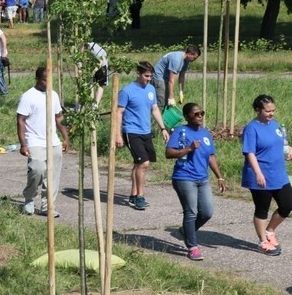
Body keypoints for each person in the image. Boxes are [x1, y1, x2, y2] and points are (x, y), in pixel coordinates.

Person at [165, 103, 226, 261]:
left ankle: (186, 231)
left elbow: (211, 156)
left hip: (203, 178)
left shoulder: (206, 133)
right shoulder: (180, 132)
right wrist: (188, 149)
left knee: (207, 212)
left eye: (202, 113)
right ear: (187, 117)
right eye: (196, 114)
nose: (200, 116)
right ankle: (192, 247)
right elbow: (169, 153)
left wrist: (219, 177)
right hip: (184, 177)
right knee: (191, 212)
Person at [114, 61, 170, 211]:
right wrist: (117, 135)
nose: (148, 79)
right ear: (138, 74)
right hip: (131, 131)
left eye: (150, 76)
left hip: (146, 131)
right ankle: (140, 196)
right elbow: (118, 113)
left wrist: (163, 128)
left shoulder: (151, 89)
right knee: (144, 163)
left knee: (139, 164)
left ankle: (132, 195)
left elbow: (155, 109)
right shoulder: (127, 91)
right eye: (146, 76)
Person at [241, 94, 292, 256]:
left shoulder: (275, 125)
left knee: (287, 204)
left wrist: (289, 149)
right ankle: (263, 241)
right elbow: (249, 152)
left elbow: (282, 142)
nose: (271, 113)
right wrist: (258, 173)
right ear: (258, 110)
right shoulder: (252, 128)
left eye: (273, 110)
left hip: (279, 174)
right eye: (267, 111)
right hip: (260, 175)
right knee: (262, 209)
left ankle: (270, 231)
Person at [17, 66, 70, 217]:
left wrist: (65, 137)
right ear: (38, 79)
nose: (48, 83)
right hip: (35, 141)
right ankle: (29, 197)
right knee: (37, 170)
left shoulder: (53, 95)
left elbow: (58, 117)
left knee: (53, 176)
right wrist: (23, 144)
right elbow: (20, 120)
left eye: (50, 80)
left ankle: (48, 206)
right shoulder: (28, 96)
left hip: (53, 142)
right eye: (45, 80)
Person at [153, 44, 200, 109]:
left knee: (167, 102)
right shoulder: (177, 59)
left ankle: (163, 117)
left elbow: (181, 76)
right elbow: (171, 80)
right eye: (194, 58)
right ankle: (156, 117)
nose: (194, 60)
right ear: (189, 54)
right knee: (162, 101)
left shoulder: (186, 61)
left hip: (166, 78)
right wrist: (171, 97)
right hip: (158, 77)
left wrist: (181, 92)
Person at [85, 41, 109, 107]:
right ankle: (91, 103)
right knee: (90, 83)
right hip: (92, 63)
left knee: (101, 84)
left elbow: (100, 61)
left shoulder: (93, 48)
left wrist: (93, 72)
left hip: (102, 64)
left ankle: (96, 105)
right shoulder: (80, 49)